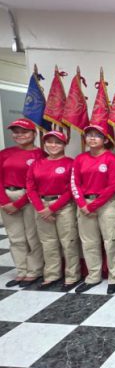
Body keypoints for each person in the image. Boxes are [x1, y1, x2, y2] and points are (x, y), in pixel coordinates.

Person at [71, 122, 115, 294]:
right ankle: (93, 276)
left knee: (112, 242)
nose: (92, 138)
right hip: (84, 205)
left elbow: (113, 186)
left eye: (97, 135)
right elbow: (75, 183)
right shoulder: (80, 159)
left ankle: (114, 277)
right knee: (89, 243)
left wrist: (93, 205)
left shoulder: (111, 159)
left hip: (107, 205)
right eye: (89, 135)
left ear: (105, 139)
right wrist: (82, 204)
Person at [26, 130, 81, 291]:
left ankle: (72, 276)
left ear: (64, 144)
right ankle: (52, 275)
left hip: (64, 206)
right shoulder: (37, 164)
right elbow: (30, 187)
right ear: (44, 144)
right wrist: (41, 208)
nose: (53, 145)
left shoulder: (71, 163)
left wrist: (53, 208)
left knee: (68, 242)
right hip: (41, 207)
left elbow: (72, 188)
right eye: (49, 142)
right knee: (48, 242)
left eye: (58, 142)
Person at [0, 118, 45, 288]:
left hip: (29, 198)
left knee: (33, 236)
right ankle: (21, 270)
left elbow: (39, 183)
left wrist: (18, 203)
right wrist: (4, 201)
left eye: (24, 132)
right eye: (16, 132)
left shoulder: (40, 154)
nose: (20, 135)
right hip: (7, 197)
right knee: (15, 237)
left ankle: (34, 271)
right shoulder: (5, 153)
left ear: (34, 134)